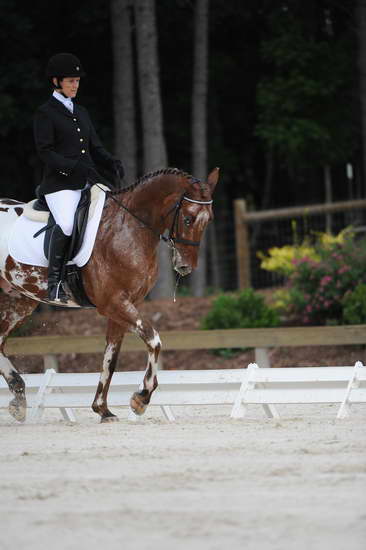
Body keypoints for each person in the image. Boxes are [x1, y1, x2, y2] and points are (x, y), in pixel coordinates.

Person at [33, 52, 124, 303]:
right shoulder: (46, 113)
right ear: (56, 82)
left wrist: (111, 162)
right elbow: (45, 152)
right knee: (67, 224)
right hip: (59, 185)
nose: (75, 85)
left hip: (87, 182)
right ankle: (54, 283)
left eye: (77, 81)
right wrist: (73, 168)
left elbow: (95, 147)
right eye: (70, 81)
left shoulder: (81, 112)